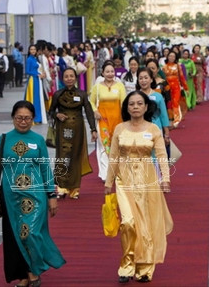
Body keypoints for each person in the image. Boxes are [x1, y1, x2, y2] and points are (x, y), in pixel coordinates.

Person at [0, 101, 65, 286]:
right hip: (11, 198)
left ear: (33, 119)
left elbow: (46, 169)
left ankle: (34, 271)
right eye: (19, 118)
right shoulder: (4, 139)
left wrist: (52, 196)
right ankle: (25, 275)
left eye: (27, 118)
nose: (23, 122)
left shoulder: (37, 140)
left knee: (31, 233)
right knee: (15, 236)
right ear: (13, 118)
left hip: (36, 197)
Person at [104, 90, 173, 284]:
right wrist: (108, 182)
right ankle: (127, 265)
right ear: (126, 107)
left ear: (145, 107)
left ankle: (144, 268)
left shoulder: (153, 129)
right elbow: (114, 157)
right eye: (131, 104)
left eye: (139, 103)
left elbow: (161, 156)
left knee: (145, 224)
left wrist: (165, 179)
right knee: (127, 223)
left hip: (147, 179)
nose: (135, 107)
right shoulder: (119, 128)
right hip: (123, 180)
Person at [48, 68, 98, 199]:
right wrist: (57, 115)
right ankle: (61, 187)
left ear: (75, 78)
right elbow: (51, 111)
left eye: (71, 76)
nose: (69, 78)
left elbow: (89, 112)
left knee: (75, 156)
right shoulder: (58, 94)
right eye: (66, 76)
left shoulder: (81, 94)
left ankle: (74, 189)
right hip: (62, 130)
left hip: (78, 129)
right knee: (62, 157)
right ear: (62, 79)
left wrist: (93, 129)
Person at [89, 61, 126, 182]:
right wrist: (95, 111)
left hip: (117, 120)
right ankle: (105, 173)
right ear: (103, 73)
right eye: (107, 71)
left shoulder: (119, 86)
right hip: (102, 121)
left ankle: (117, 171)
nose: (110, 74)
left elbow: (124, 103)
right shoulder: (97, 87)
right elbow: (91, 101)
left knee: (117, 145)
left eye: (112, 71)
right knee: (104, 146)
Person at [162, 51, 188, 126]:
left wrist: (185, 87)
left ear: (175, 57)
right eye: (170, 56)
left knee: (175, 102)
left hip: (176, 87)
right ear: (168, 57)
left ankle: (176, 120)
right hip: (167, 87)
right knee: (169, 103)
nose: (172, 58)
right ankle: (171, 118)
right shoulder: (164, 67)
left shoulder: (178, 66)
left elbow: (182, 77)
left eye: (173, 56)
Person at [24, 44, 46, 124]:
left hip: (37, 80)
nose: (33, 51)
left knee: (38, 98)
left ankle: (38, 117)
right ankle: (34, 117)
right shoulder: (29, 59)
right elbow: (27, 71)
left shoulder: (35, 59)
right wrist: (37, 74)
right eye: (31, 49)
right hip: (32, 80)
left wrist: (41, 74)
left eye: (34, 49)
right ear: (29, 51)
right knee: (34, 98)